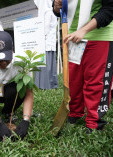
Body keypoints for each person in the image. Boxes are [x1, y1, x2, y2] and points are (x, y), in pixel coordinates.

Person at [53, 0, 113, 133]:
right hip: (72, 37)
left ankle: (94, 122)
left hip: (99, 36)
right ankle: (74, 112)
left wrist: (84, 30)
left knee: (95, 82)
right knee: (74, 81)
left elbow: (110, 8)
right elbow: (60, 8)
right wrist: (56, 7)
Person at [34, 0, 59, 89]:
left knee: (45, 65)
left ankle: (44, 85)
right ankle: (52, 84)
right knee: (50, 65)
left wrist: (39, 37)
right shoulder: (51, 12)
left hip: (45, 42)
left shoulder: (47, 12)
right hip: (49, 42)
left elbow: (45, 28)